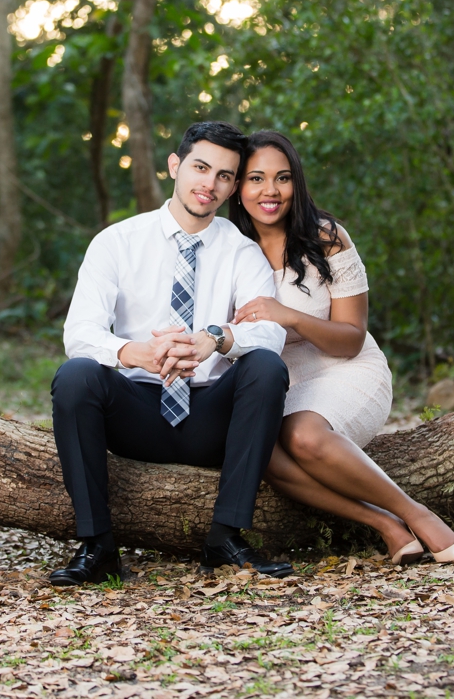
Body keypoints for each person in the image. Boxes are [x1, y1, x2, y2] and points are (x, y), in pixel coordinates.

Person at [49, 121, 295, 586]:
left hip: (210, 417)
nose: (210, 184)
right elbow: (79, 332)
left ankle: (225, 538)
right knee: (76, 375)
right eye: (201, 168)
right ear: (175, 166)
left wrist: (214, 338)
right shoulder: (116, 242)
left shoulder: (242, 253)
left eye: (225, 175)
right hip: (136, 411)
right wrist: (135, 353)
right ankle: (97, 545)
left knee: (265, 366)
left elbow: (269, 334)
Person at [228, 130, 454, 565]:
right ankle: (386, 526)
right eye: (256, 178)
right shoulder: (227, 250)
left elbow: (352, 337)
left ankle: (417, 513)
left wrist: (291, 315)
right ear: (237, 186)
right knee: (263, 454)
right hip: (277, 383)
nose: (270, 191)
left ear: (296, 183)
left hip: (348, 370)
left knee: (301, 434)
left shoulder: (327, 237)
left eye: (282, 178)